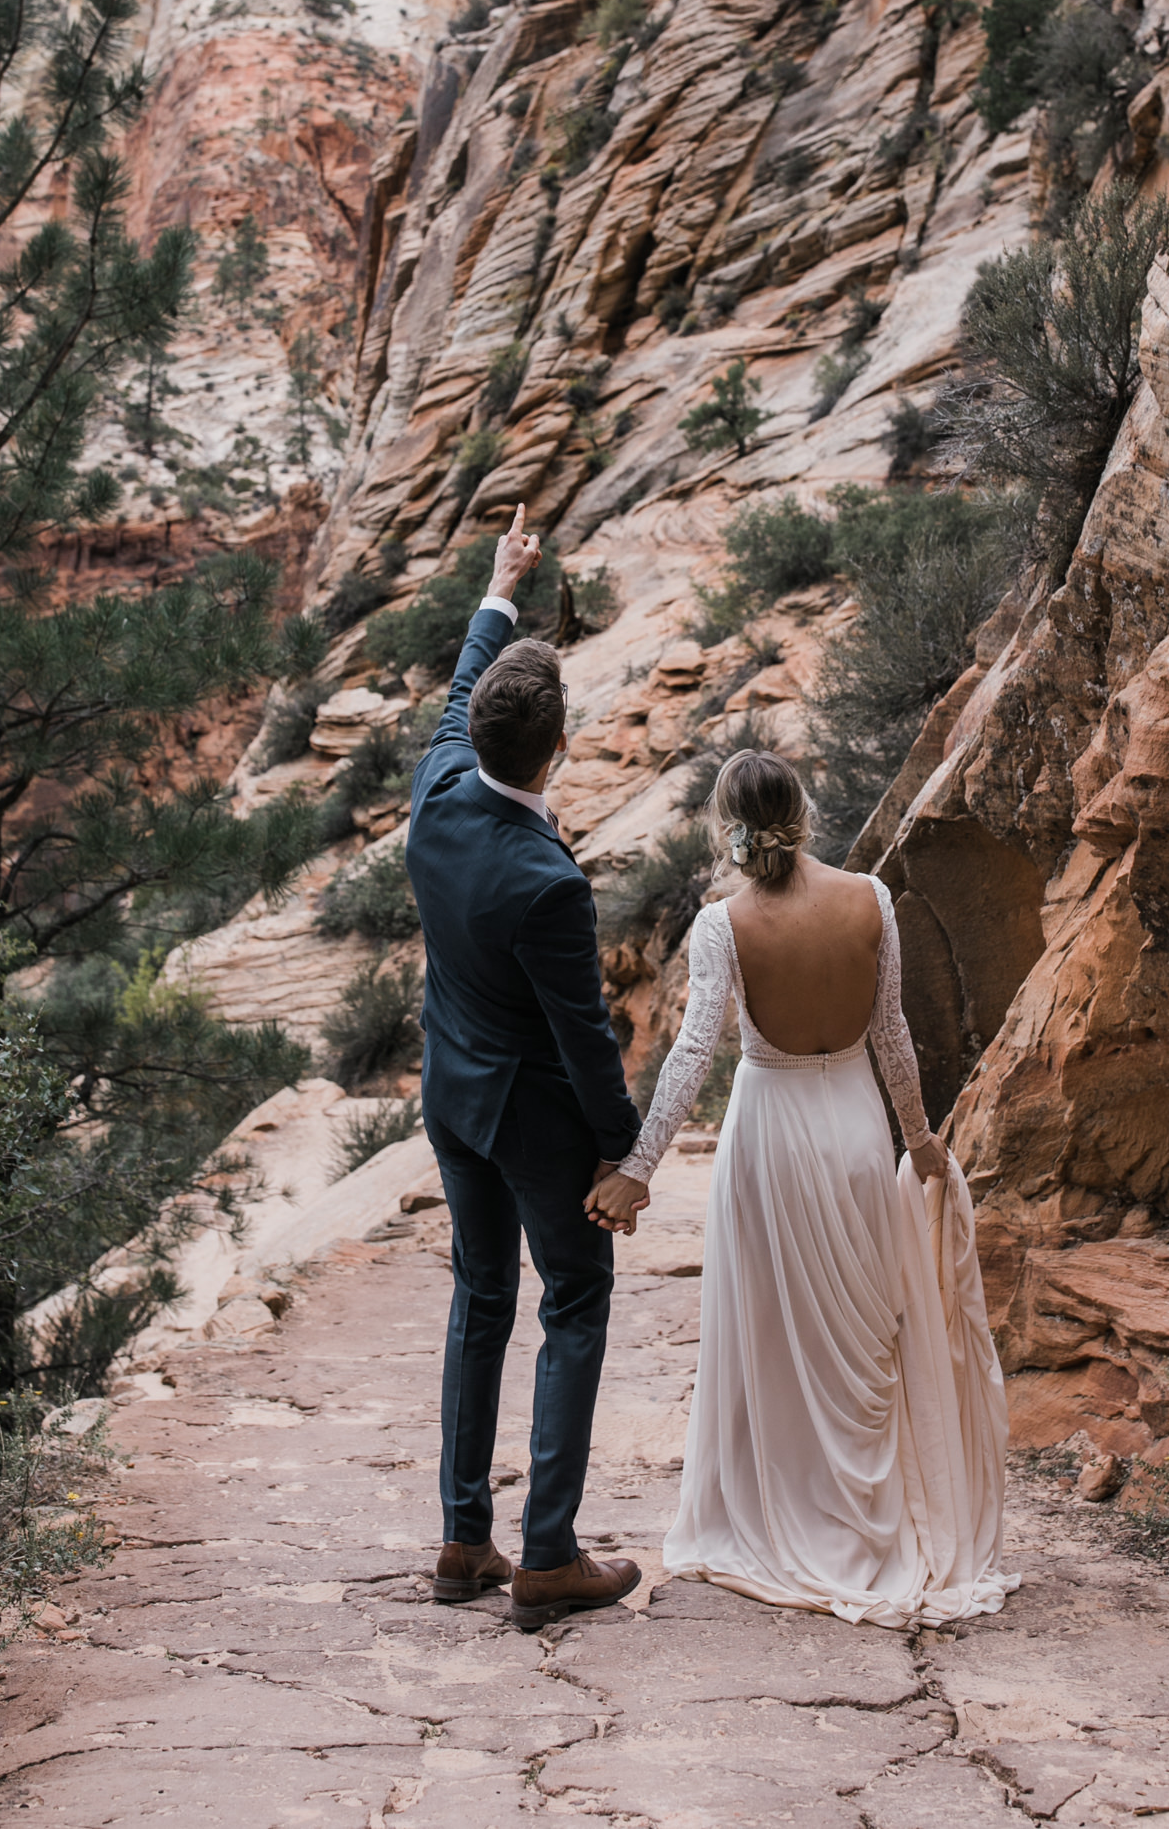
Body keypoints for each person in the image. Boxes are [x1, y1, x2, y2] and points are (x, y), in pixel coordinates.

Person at [586, 748, 1020, 1629]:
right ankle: (875, 1516)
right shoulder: (870, 899)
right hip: (858, 1129)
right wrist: (921, 1140)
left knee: (773, 1340)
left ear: (725, 828)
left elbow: (692, 1053)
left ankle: (784, 1515)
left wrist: (637, 1171)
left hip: (770, 1140)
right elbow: (892, 1030)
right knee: (869, 1333)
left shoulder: (723, 924)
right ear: (806, 812)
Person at [405, 503, 645, 1630]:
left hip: (450, 1094)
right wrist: (622, 1141)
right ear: (557, 749)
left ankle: (463, 1539)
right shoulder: (547, 882)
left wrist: (500, 583)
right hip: (532, 1119)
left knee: (478, 1297)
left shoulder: (440, 786)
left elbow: (460, 685)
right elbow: (583, 1030)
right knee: (577, 1301)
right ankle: (546, 1556)